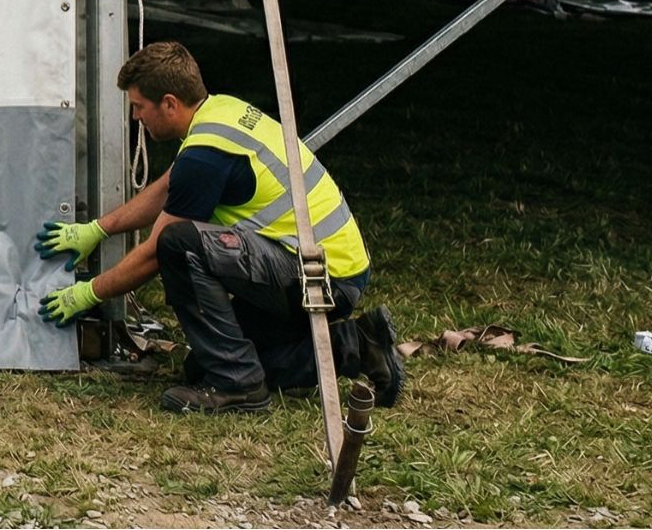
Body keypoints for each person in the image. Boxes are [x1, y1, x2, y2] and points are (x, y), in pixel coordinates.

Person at [34, 41, 404, 414]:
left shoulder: (206, 157)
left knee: (179, 244)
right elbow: (167, 187)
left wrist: (87, 294)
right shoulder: (220, 113)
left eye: (138, 107)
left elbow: (154, 253)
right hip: (328, 267)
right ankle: (357, 344)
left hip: (321, 277)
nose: (135, 119)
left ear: (169, 103)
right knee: (199, 368)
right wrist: (98, 229)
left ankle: (238, 386)